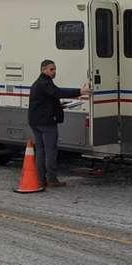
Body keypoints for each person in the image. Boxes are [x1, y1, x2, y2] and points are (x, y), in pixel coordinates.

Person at [28, 59, 89, 188]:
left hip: (35, 121)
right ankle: (52, 179)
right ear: (43, 70)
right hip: (46, 122)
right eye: (51, 69)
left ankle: (40, 179)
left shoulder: (39, 83)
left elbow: (48, 98)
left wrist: (57, 106)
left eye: (55, 69)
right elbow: (58, 92)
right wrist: (80, 91)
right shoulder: (44, 83)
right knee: (50, 150)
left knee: (40, 150)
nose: (54, 72)